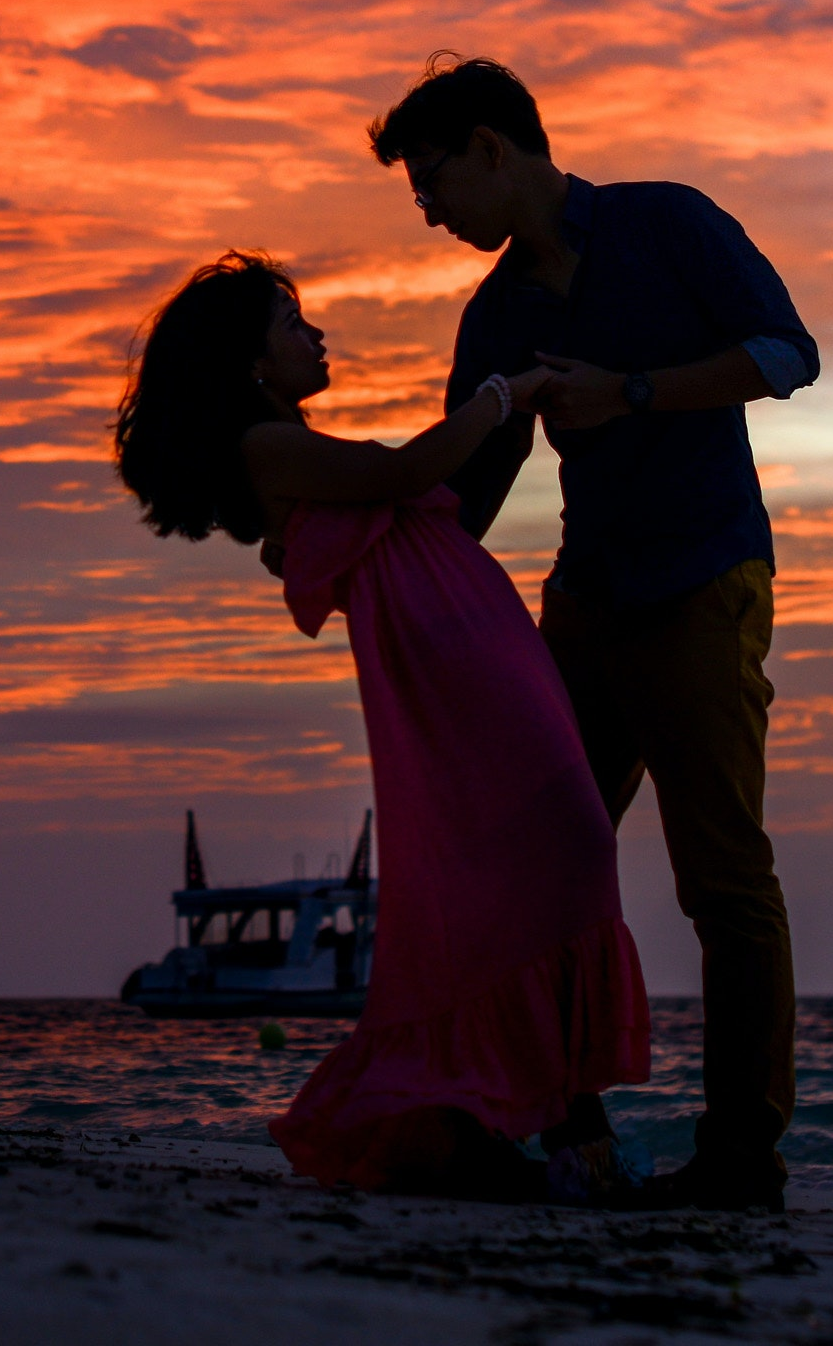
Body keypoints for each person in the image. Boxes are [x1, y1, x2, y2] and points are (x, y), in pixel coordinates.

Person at [368, 55, 818, 1214]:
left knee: (721, 879)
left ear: (489, 147)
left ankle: (739, 1160)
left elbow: (785, 355)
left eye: (430, 182)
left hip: (705, 583)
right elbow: (469, 487)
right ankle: (563, 1136)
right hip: (578, 606)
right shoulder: (497, 313)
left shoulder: (665, 223)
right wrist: (365, 557)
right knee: (531, 865)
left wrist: (628, 391)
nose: (426, 211)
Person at [113, 252, 650, 1201]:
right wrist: (504, 391)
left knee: (553, 857)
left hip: (474, 647)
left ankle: (512, 1123)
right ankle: (567, 1134)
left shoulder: (289, 448)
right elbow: (409, 469)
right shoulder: (265, 448)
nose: (313, 335)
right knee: (561, 851)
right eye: (291, 324)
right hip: (453, 672)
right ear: (249, 364)